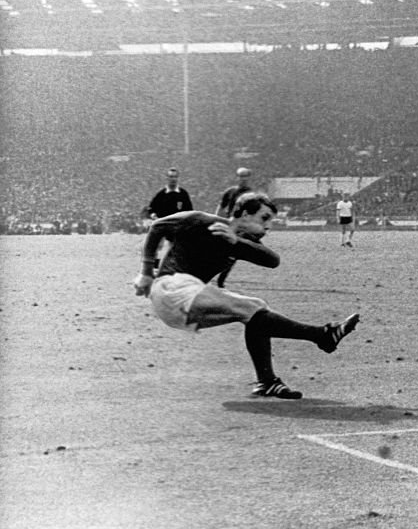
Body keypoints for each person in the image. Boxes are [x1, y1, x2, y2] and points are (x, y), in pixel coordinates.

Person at [132, 192, 360, 399]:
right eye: (264, 218)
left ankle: (267, 382)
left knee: (256, 308)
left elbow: (272, 260)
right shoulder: (203, 221)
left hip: (183, 302)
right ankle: (321, 335)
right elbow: (158, 226)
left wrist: (236, 241)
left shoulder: (240, 242)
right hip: (171, 288)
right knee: (250, 310)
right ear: (242, 214)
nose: (269, 225)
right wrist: (145, 272)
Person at [214, 168, 255, 288]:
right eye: (241, 176)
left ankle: (221, 280)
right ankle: (213, 276)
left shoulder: (252, 195)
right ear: (237, 178)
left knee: (233, 254)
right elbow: (221, 207)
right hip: (229, 224)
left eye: (246, 176)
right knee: (221, 252)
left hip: (242, 227)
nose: (243, 179)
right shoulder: (231, 192)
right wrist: (216, 219)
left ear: (249, 178)